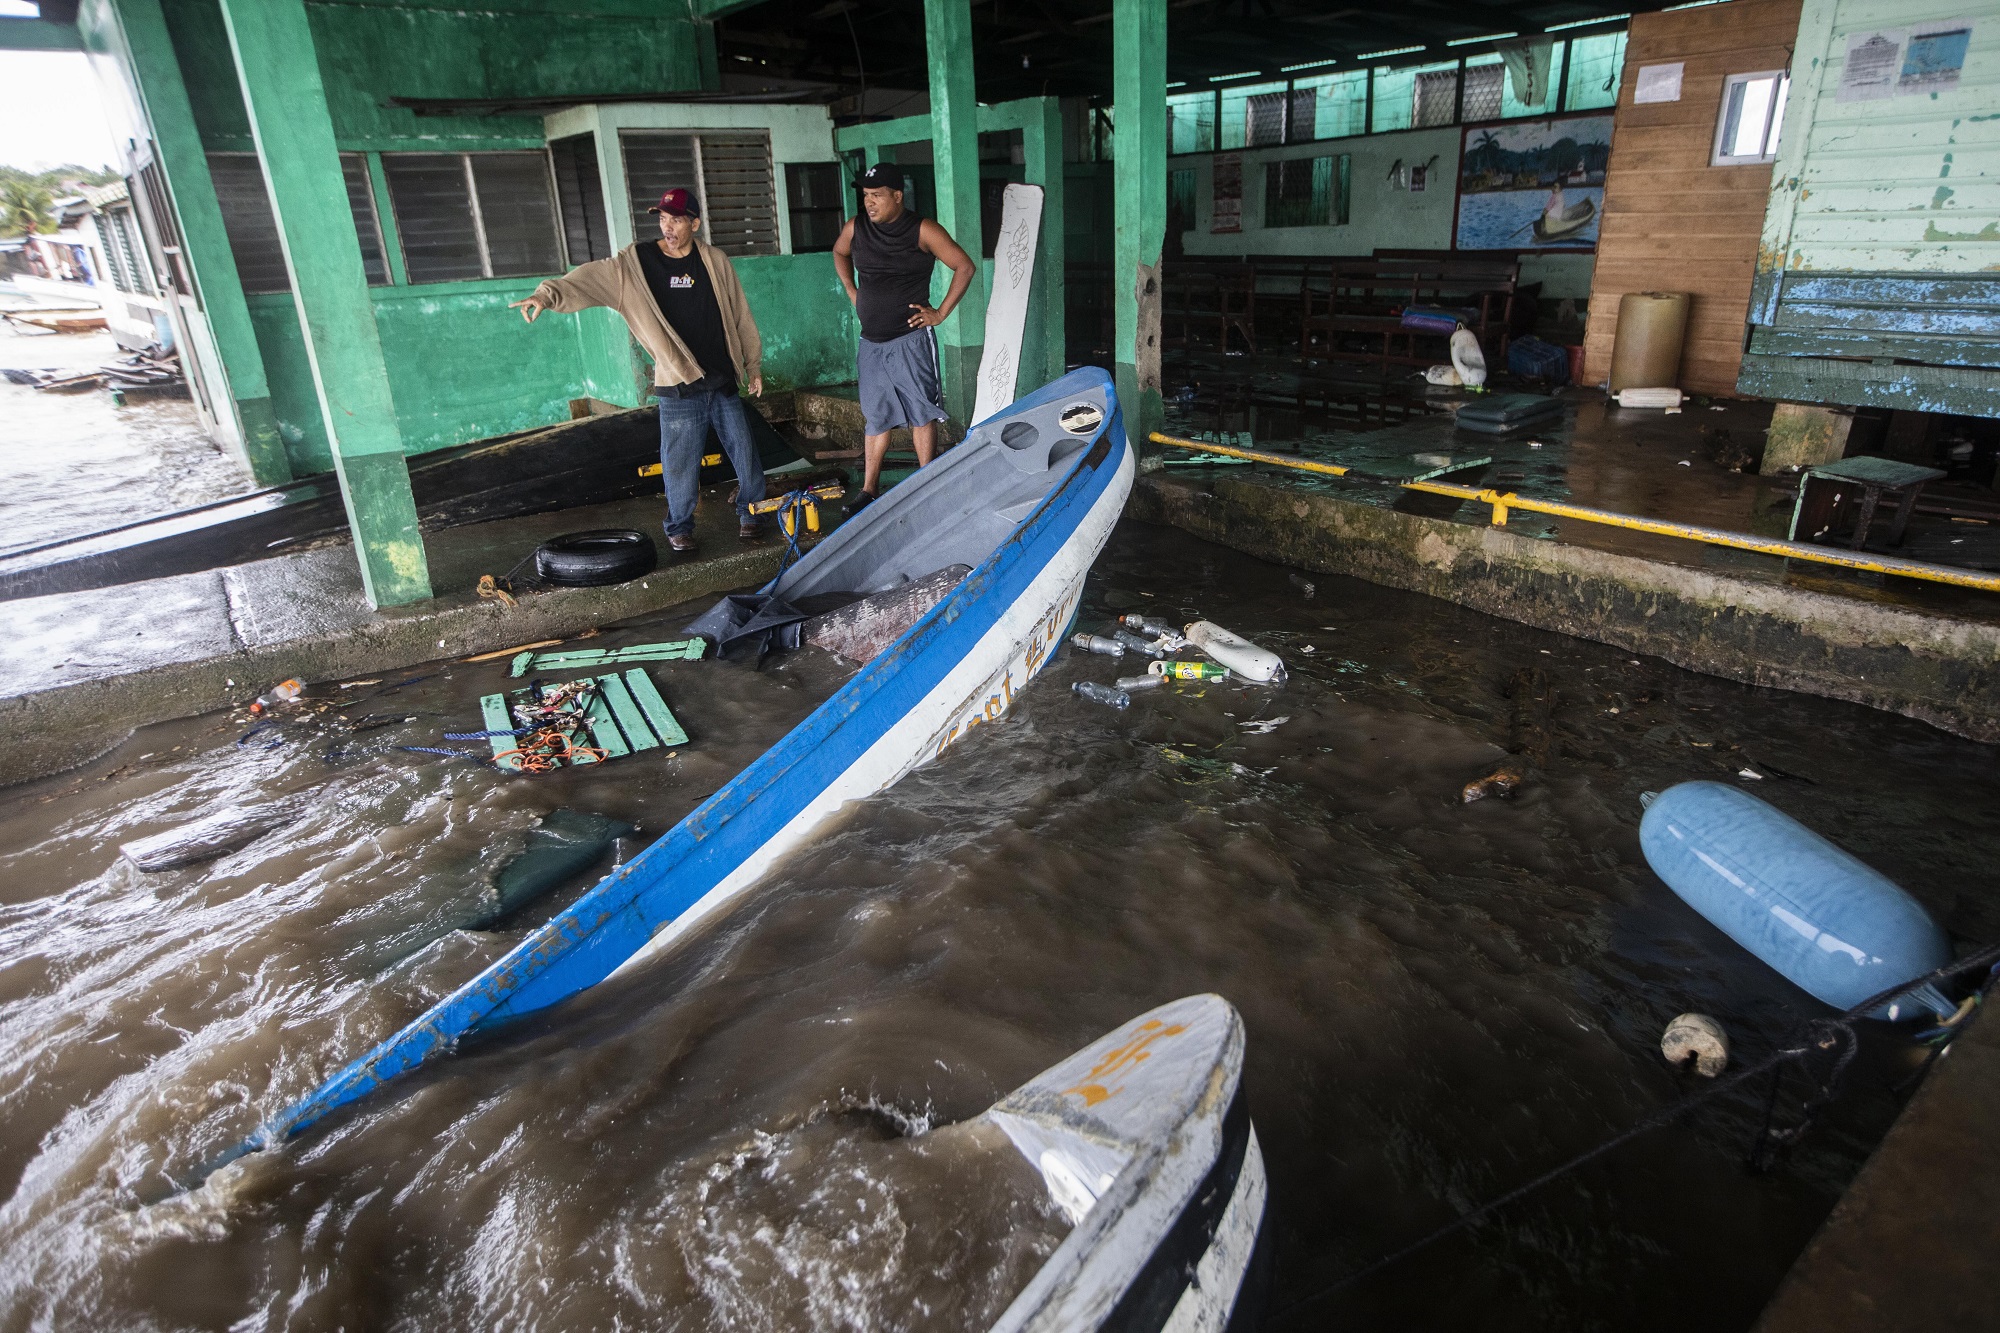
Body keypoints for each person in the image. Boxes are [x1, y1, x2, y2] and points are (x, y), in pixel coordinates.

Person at [510, 188, 765, 554]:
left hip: (722, 377)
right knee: (679, 463)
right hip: (677, 385)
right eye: (662, 219)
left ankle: (752, 514)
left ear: (694, 222)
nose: (667, 227)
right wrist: (545, 296)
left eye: (676, 219)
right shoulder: (635, 265)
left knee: (745, 451)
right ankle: (679, 527)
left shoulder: (714, 261)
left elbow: (740, 313)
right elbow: (586, 279)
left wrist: (752, 364)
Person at [831, 163, 978, 512]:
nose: (870, 203)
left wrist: (940, 313)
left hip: (910, 340)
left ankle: (927, 483)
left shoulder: (923, 230)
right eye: (866, 196)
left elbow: (964, 266)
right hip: (871, 342)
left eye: (877, 196)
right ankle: (868, 490)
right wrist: (852, 289)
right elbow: (839, 252)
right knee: (876, 416)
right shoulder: (856, 227)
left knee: (920, 412)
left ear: (897, 195)